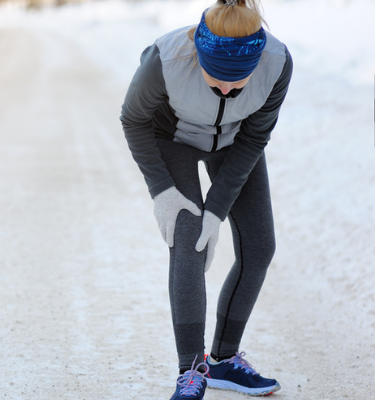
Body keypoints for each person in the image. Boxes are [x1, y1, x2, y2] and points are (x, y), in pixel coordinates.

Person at [119, 0, 293, 399]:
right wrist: (162, 190)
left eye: (238, 82)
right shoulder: (166, 59)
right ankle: (191, 368)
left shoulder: (277, 63)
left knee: (260, 246)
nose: (226, 89)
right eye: (215, 79)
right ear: (199, 53)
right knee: (189, 244)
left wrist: (217, 208)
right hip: (172, 139)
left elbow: (254, 137)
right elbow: (133, 119)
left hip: (235, 144)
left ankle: (224, 360)